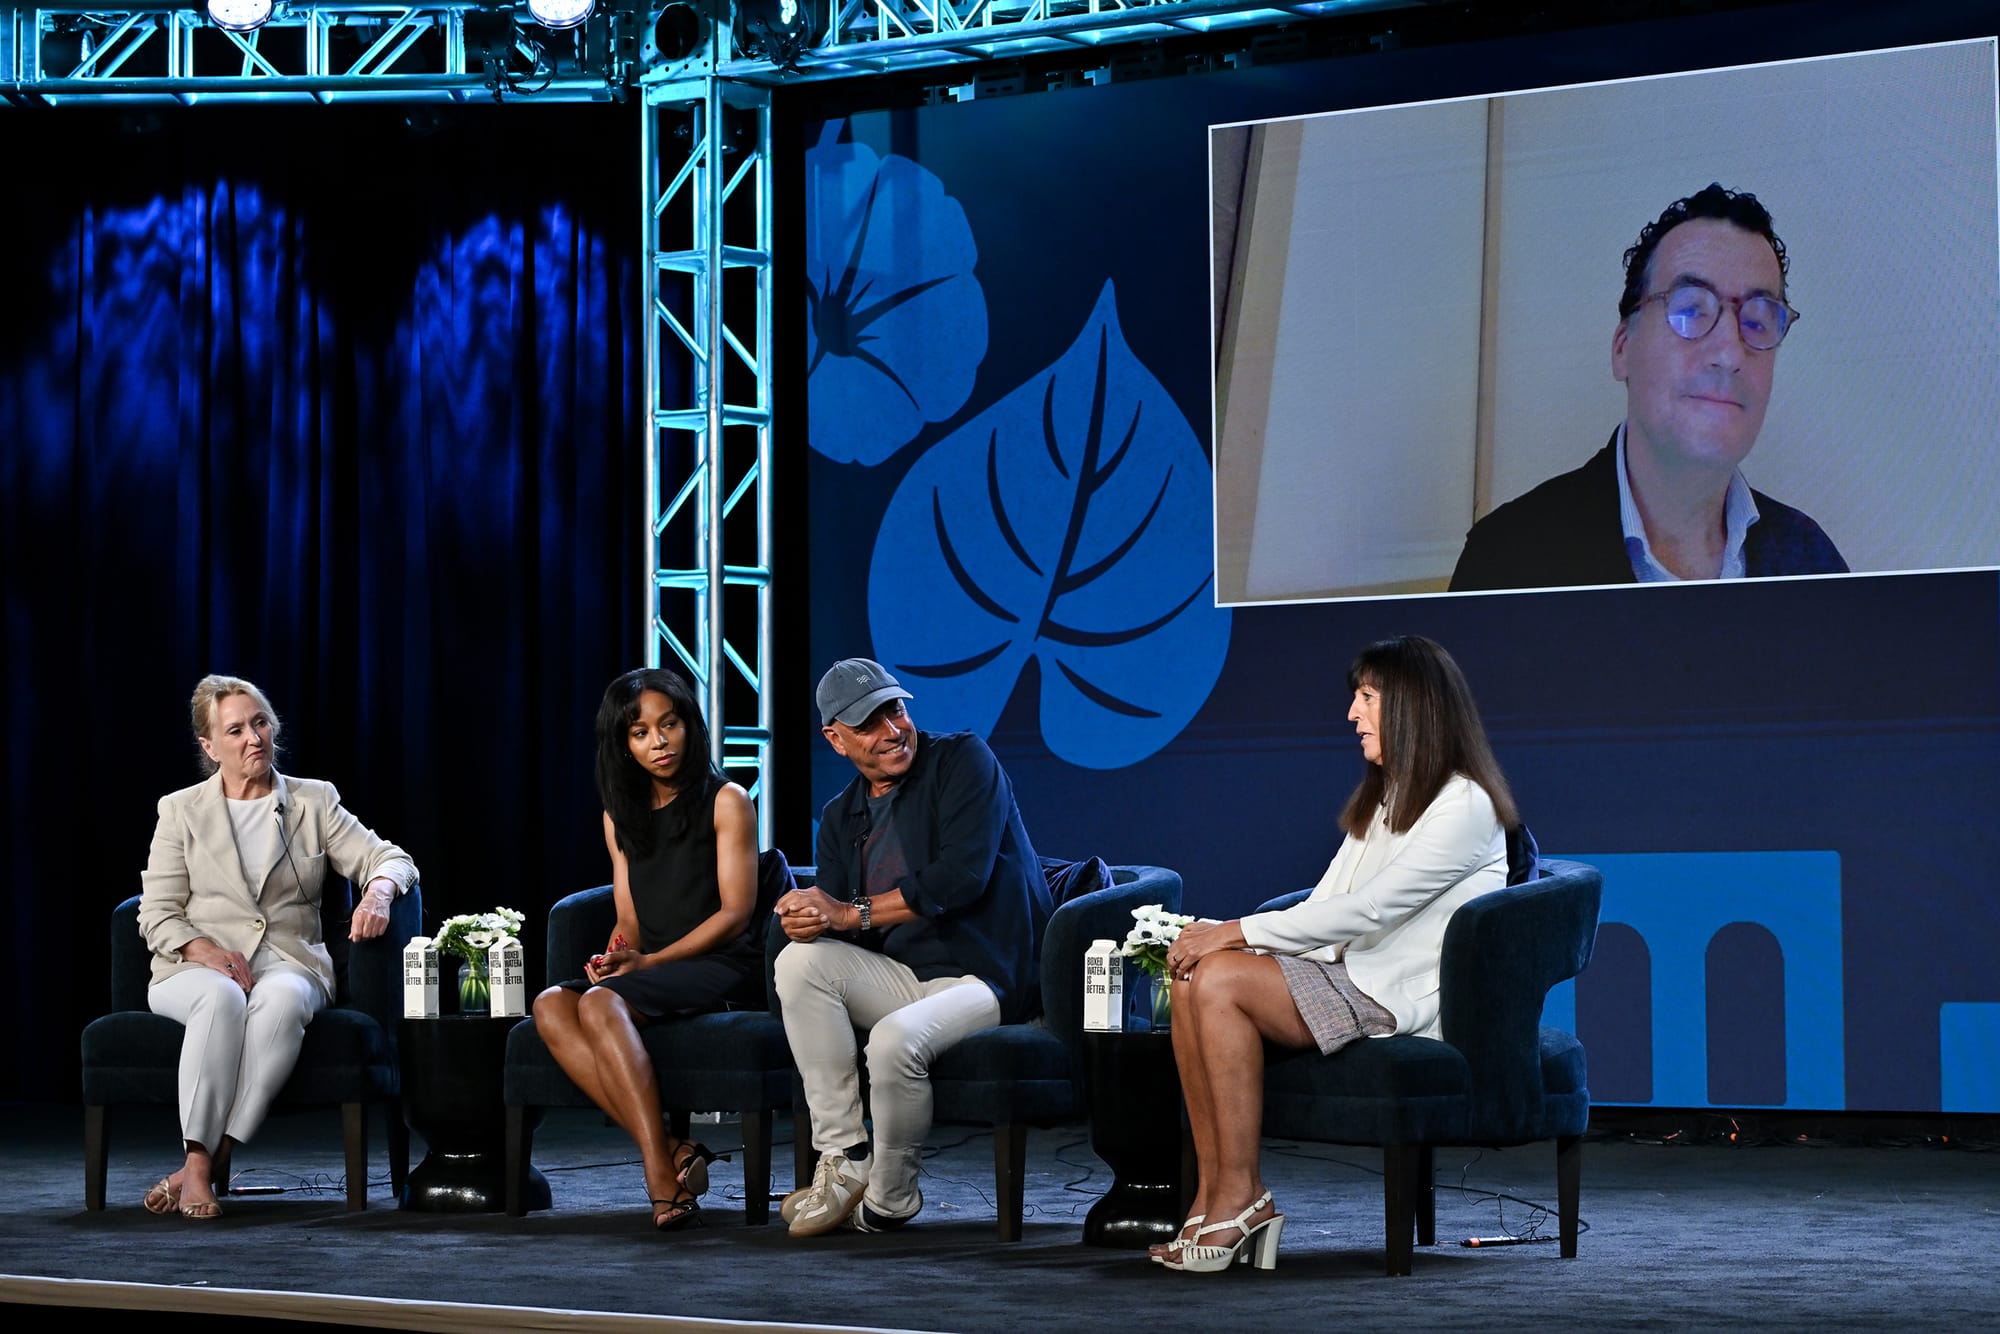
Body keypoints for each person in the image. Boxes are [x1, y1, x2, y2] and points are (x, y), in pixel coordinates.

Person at [1152, 635, 1518, 1273]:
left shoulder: (1463, 803)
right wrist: (1223, 930)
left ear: (1413, 706)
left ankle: (1244, 1196)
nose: (1352, 713)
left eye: (1368, 697)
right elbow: (1328, 901)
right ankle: (1213, 1199)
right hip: (1348, 971)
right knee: (1191, 975)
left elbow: (1373, 908)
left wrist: (1238, 932)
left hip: (1392, 991)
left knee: (1217, 981)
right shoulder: (1388, 794)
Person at [772, 657, 1052, 1238]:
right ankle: (844, 1158)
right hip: (904, 975)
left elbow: (961, 878)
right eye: (868, 723)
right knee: (799, 961)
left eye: (894, 709)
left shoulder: (963, 760)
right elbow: (837, 907)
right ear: (836, 738)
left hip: (986, 976)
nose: (892, 730)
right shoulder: (839, 814)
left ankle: (891, 1196)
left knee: (893, 1041)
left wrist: (849, 913)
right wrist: (807, 917)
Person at [1449, 183, 1847, 591]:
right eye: (1691, 310)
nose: (1729, 354)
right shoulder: (1507, 559)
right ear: (1623, 349)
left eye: (1758, 321)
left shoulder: (1814, 562)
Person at [138, 675, 420, 1220]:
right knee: (221, 1000)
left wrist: (379, 895)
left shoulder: (314, 802)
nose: (253, 738)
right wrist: (204, 950)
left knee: (283, 1000)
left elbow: (391, 859)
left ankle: (205, 1163)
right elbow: (156, 911)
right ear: (209, 745)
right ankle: (200, 1163)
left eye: (261, 723)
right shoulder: (179, 810)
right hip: (193, 968)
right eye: (236, 729)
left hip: (290, 965)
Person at [531, 667, 762, 1231]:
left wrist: (646, 965)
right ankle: (672, 1150)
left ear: (689, 726)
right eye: (640, 732)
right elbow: (630, 918)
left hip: (722, 965)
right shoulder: (620, 817)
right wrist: (615, 956)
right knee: (549, 1004)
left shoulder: (726, 800)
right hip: (653, 967)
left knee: (599, 1003)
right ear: (623, 744)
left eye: (669, 724)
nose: (658, 742)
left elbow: (735, 915)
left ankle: (660, 1176)